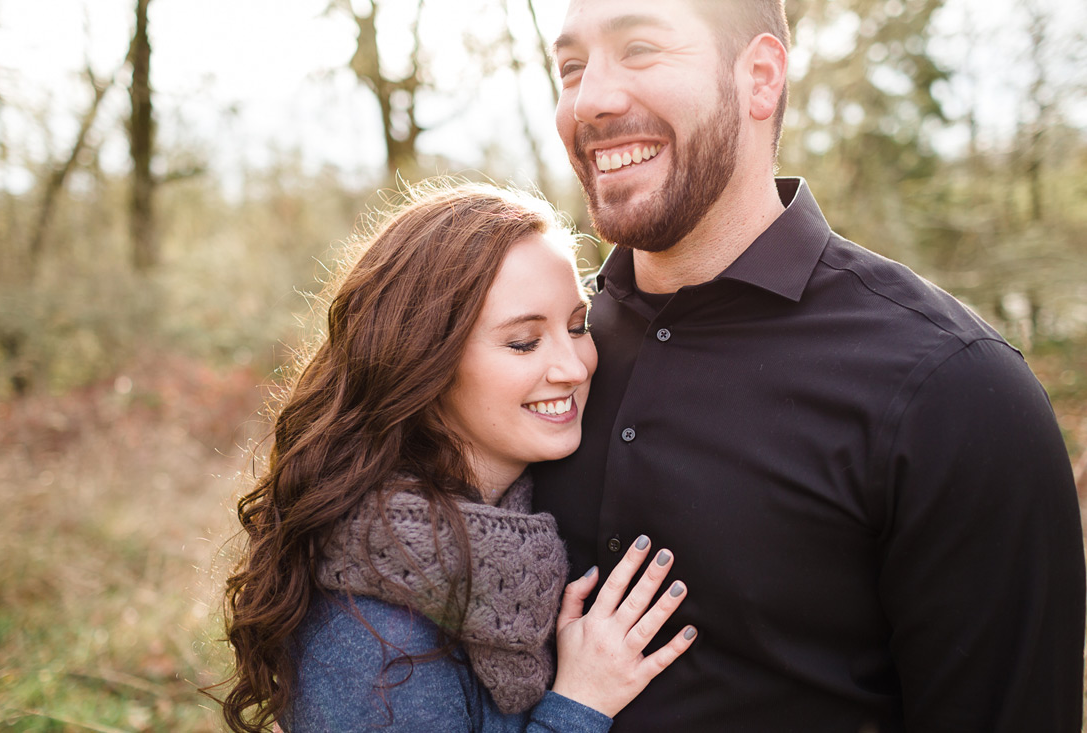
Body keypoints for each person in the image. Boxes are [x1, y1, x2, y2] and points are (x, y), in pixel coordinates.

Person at [532, 0, 1086, 731]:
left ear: (760, 78)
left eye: (639, 49)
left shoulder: (955, 390)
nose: (591, 98)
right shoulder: (534, 368)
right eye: (572, 67)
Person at [219, 181, 698, 733]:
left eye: (577, 326)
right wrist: (579, 704)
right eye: (523, 342)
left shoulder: (511, 528)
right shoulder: (375, 638)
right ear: (426, 361)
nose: (574, 366)